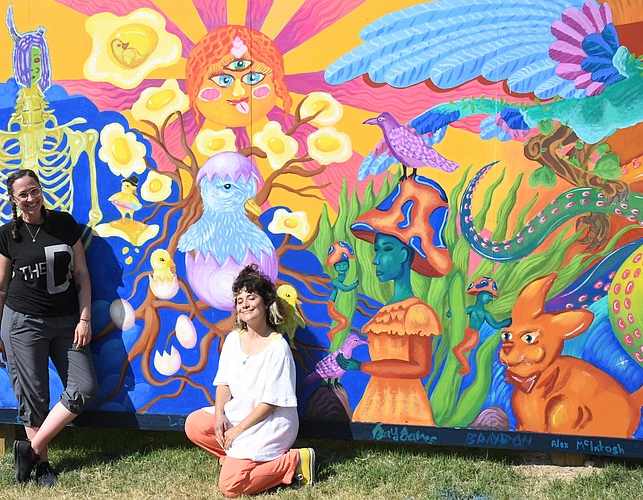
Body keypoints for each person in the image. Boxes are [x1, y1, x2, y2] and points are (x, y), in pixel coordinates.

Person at [0, 168, 98, 487]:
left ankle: (31, 450)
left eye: (34, 190)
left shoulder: (63, 223)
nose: (31, 198)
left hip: (67, 322)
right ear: (13, 199)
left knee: (85, 387)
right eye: (23, 194)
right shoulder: (8, 235)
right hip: (22, 322)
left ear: (41, 189)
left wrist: (85, 317)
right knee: (33, 396)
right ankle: (43, 465)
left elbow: (81, 275)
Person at [184, 265, 315, 497]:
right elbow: (223, 383)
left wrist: (237, 431)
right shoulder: (234, 340)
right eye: (239, 299)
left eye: (251, 297)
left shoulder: (278, 348)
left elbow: (272, 402)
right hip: (241, 413)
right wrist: (218, 416)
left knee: (231, 487)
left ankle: (294, 461)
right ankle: (239, 460)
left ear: (265, 302)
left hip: (271, 424)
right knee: (194, 425)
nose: (244, 304)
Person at [338, 176, 452, 425]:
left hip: (406, 409)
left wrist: (363, 367)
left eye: (386, 249)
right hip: (373, 405)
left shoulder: (418, 313)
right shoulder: (384, 314)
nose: (376, 259)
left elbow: (420, 368)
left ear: (404, 254)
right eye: (377, 250)